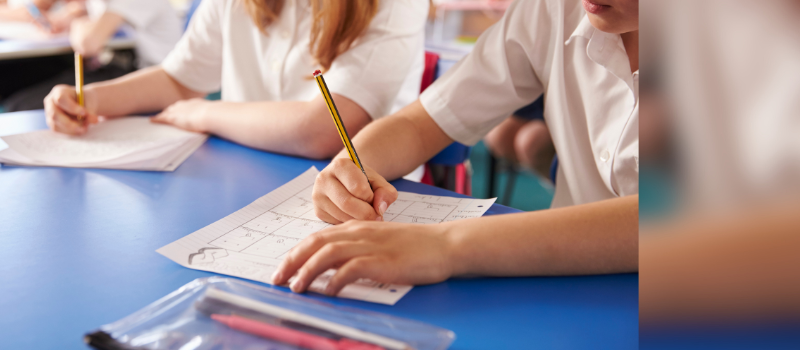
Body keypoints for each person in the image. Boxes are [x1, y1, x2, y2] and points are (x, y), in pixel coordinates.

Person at [271, 0, 639, 295]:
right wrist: (351, 168)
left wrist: (447, 245)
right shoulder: (552, 9)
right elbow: (421, 124)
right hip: (558, 285)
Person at [43, 0, 427, 159]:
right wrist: (92, 99)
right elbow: (180, 79)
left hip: (361, 194)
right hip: (249, 171)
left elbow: (323, 129)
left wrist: (205, 114)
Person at [2, 0, 183, 111]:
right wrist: (74, 13)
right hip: (116, 68)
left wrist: (79, 22)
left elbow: (87, 44)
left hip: (151, 78)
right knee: (19, 103)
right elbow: (66, 19)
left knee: (25, 106)